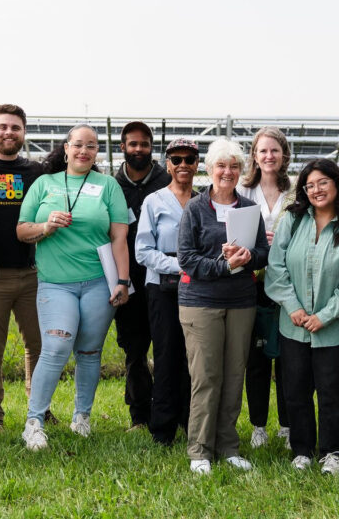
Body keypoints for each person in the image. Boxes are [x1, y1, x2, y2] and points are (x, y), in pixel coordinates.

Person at [16, 124, 131, 451]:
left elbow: (119, 237)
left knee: (90, 351)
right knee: (56, 345)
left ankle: (82, 416)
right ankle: (34, 421)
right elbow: (22, 231)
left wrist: (122, 281)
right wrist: (46, 226)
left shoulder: (108, 186)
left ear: (96, 152)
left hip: (98, 282)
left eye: (91, 146)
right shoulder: (44, 184)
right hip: (55, 283)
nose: (84, 151)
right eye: (78, 145)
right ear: (65, 148)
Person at [177, 138, 269, 474]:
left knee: (233, 376)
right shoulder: (195, 209)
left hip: (241, 302)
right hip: (201, 303)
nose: (227, 172)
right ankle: (200, 450)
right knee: (206, 377)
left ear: (241, 170)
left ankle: (229, 446)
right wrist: (224, 266)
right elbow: (186, 260)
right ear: (209, 170)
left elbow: (262, 252)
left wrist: (248, 257)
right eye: (221, 165)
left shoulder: (248, 209)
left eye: (234, 166)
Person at [265, 159, 339, 475]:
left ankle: (333, 451)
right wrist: (294, 308)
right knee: (296, 389)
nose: (316, 190)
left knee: (331, 391)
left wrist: (326, 315)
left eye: (322, 183)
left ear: (337, 185)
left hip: (334, 328)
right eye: (309, 185)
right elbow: (276, 268)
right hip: (294, 325)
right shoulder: (292, 220)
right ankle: (302, 450)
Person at [0, 104, 51, 431]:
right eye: (3, 127)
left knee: (38, 345)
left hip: (32, 273)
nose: (9, 133)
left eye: (15, 127)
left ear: (23, 132)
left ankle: (37, 409)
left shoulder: (36, 173)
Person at [135, 138, 198, 446]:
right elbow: (143, 251)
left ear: (197, 164)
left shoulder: (203, 200)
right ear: (167, 164)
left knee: (193, 358)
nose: (183, 164)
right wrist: (180, 265)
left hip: (198, 289)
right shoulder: (154, 201)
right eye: (177, 159)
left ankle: (191, 421)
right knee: (166, 354)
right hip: (163, 288)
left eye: (189, 159)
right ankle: (163, 428)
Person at [237, 126, 292, 448]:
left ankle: (287, 425)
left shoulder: (296, 191)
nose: (269, 156)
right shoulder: (243, 192)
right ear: (254, 156)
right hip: (251, 283)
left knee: (288, 358)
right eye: (262, 151)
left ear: (284, 154)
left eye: (275, 150)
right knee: (255, 358)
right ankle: (258, 425)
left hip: (287, 284)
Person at [114, 121, 171, 431]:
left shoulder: (167, 180)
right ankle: (139, 416)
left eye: (144, 144)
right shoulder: (112, 185)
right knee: (134, 351)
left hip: (162, 278)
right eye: (132, 144)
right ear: (122, 147)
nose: (138, 149)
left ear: (152, 148)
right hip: (128, 280)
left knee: (166, 348)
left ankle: (166, 411)